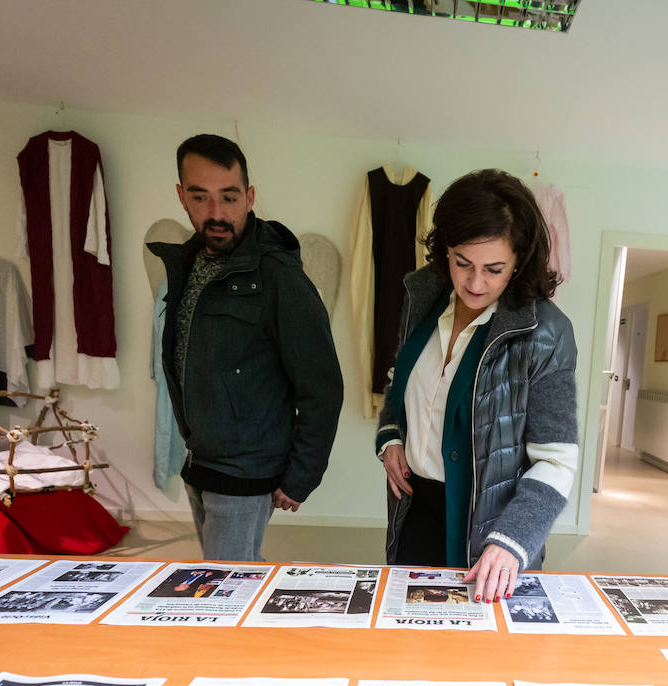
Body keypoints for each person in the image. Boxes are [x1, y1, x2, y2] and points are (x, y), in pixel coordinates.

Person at [375, 169, 578, 602]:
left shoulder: (546, 332)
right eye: (462, 262)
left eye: (494, 268)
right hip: (414, 509)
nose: (474, 283)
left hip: (491, 529)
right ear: (444, 250)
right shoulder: (423, 298)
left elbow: (557, 461)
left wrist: (512, 540)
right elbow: (402, 383)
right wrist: (391, 437)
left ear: (520, 260)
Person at [151, 134, 343, 562]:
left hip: (245, 472)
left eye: (230, 197)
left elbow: (322, 386)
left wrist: (302, 476)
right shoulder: (187, 264)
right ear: (181, 196)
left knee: (225, 597)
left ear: (250, 197)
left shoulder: (278, 277)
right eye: (200, 197)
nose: (216, 214)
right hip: (199, 460)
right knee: (222, 587)